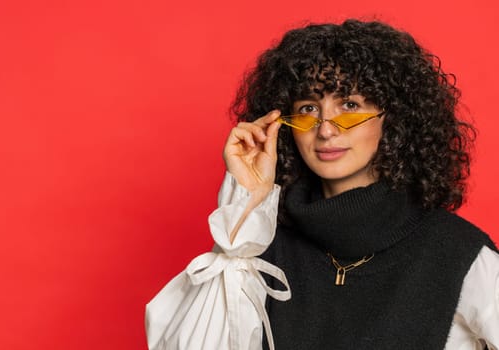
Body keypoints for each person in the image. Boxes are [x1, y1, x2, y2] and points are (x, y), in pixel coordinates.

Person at [147, 19, 499, 349]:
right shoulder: (259, 252)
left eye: (349, 104)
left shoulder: (457, 252)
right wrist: (248, 202)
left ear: (393, 120)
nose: (326, 128)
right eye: (308, 109)